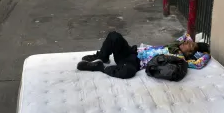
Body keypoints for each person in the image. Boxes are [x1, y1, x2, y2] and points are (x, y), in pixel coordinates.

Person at [77, 31, 210, 79]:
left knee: (128, 72)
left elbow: (199, 64)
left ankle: (100, 67)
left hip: (135, 62)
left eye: (189, 44)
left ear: (190, 52)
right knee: (114, 36)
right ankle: (102, 56)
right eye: (188, 41)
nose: (187, 41)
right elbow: (186, 35)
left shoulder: (180, 59)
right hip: (132, 52)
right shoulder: (175, 44)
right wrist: (194, 43)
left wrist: (205, 53)